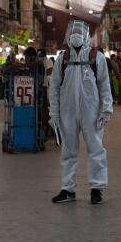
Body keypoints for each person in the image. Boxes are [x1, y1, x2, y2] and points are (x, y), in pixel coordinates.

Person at [49, 21, 113, 205]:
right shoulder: (62, 59)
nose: (76, 34)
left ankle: (96, 188)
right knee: (69, 150)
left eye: (79, 31)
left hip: (91, 112)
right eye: (73, 31)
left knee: (96, 148)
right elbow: (54, 88)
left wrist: (106, 109)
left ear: (86, 35)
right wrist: (54, 113)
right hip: (67, 112)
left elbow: (104, 85)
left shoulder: (96, 57)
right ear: (68, 35)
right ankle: (68, 189)